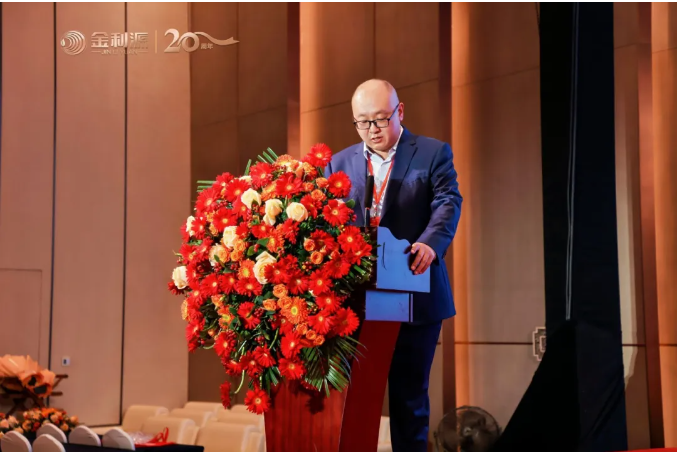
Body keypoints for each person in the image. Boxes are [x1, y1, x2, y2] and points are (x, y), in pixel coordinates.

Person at [324, 79, 462, 451]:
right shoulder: (338, 164)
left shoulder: (432, 152)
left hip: (414, 291)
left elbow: (448, 201)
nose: (372, 130)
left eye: (381, 119)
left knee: (409, 399)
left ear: (399, 111)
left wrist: (430, 243)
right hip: (358, 302)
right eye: (362, 122)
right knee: (354, 400)